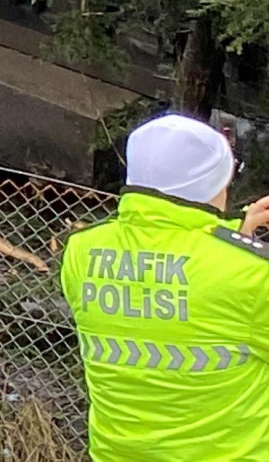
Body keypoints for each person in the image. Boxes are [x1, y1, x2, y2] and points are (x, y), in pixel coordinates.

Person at [62, 114, 269, 462]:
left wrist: (237, 237)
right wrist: (238, 246)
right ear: (213, 182)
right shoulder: (253, 274)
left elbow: (167, 292)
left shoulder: (81, 252)